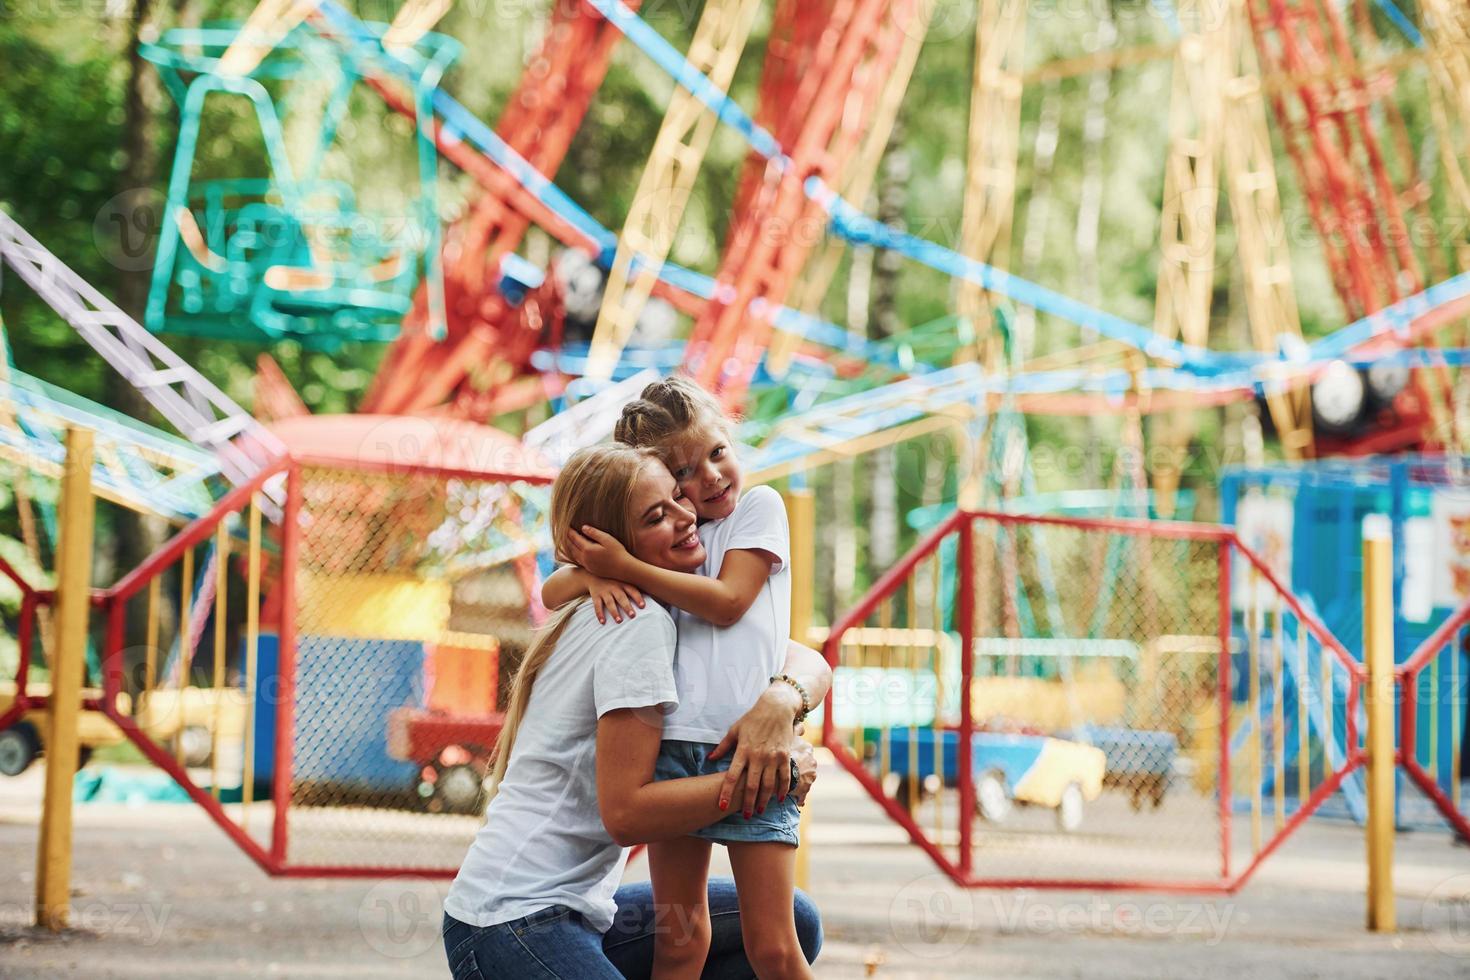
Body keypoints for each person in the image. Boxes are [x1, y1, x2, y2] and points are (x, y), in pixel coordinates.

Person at [444, 444, 829, 978]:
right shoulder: (637, 622)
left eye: (676, 497)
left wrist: (784, 695)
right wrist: (772, 777)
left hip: (583, 911)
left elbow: (792, 655)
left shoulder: (646, 599)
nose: (685, 516)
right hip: (513, 920)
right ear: (613, 549)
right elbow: (626, 815)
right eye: (655, 517)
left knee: (795, 919)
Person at [543, 377, 813, 978]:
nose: (711, 477)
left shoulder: (757, 510)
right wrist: (595, 575)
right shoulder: (664, 541)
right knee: (681, 943)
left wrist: (626, 567)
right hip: (670, 756)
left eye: (718, 452)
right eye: (685, 472)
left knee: (773, 945)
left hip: (749, 754)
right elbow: (552, 587)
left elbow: (727, 602)